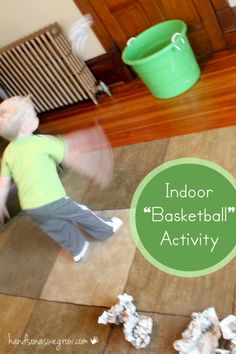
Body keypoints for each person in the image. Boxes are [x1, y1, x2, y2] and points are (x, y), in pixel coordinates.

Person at [0, 96, 123, 262]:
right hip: (52, 199)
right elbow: (70, 155)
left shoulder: (8, 153)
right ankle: (106, 228)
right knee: (81, 213)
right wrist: (93, 168)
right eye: (33, 116)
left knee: (56, 227)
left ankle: (78, 248)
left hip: (31, 207)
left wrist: (1, 203)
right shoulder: (41, 142)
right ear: (24, 127)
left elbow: (3, 182)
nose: (36, 117)